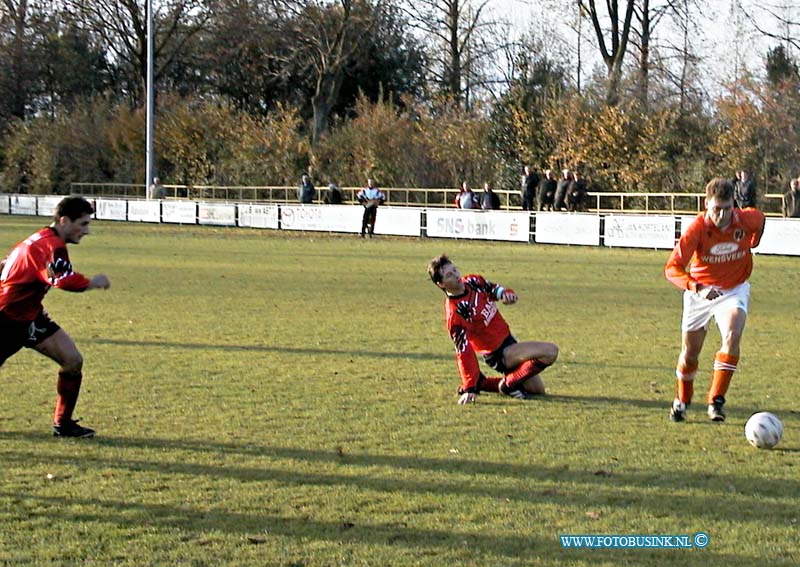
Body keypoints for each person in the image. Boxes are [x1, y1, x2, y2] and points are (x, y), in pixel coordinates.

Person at [0, 196, 111, 438]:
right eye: (82, 224)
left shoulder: (39, 238)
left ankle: (63, 424)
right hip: (6, 318)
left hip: (30, 317)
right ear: (63, 221)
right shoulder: (52, 245)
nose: (86, 231)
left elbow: (8, 263)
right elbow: (62, 280)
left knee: (72, 360)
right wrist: (92, 282)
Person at [664, 178, 765, 423]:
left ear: (734, 206)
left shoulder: (747, 219)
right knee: (690, 352)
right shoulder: (697, 229)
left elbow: (760, 222)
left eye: (727, 208)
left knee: (732, 335)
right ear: (706, 204)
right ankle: (682, 400)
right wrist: (696, 287)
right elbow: (672, 268)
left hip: (733, 290)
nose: (721, 215)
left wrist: (753, 242)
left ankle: (716, 401)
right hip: (701, 292)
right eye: (716, 208)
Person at [426, 254, 559, 404]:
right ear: (440, 284)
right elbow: (463, 351)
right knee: (550, 351)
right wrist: (469, 387)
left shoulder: (472, 281)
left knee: (537, 391)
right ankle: (508, 385)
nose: (456, 275)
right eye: (449, 275)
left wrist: (505, 294)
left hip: (510, 341)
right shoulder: (456, 313)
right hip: (499, 354)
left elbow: (492, 288)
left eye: (455, 270)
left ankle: (484, 383)